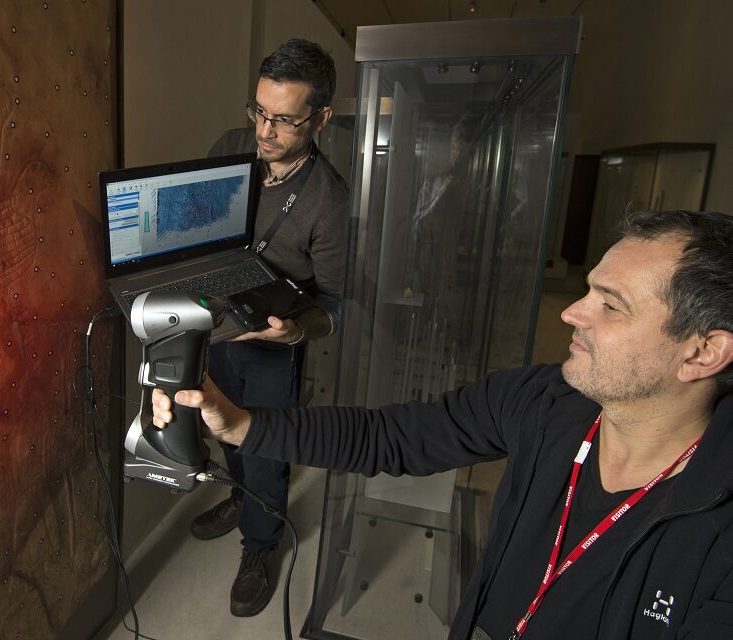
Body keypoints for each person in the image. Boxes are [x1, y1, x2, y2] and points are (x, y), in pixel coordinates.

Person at [157, 210, 733, 639]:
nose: (570, 312)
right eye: (588, 290)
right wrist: (238, 426)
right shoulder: (543, 401)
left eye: (611, 305)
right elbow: (390, 436)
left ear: (703, 353)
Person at [191, 38, 349, 617]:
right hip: (216, 323)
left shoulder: (329, 201)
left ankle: (261, 545)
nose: (264, 131)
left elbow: (335, 302)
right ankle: (240, 498)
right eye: (259, 111)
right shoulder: (232, 145)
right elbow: (201, 217)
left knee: (262, 448)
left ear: (322, 118)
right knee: (217, 423)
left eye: (284, 120)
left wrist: (295, 333)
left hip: (272, 342)